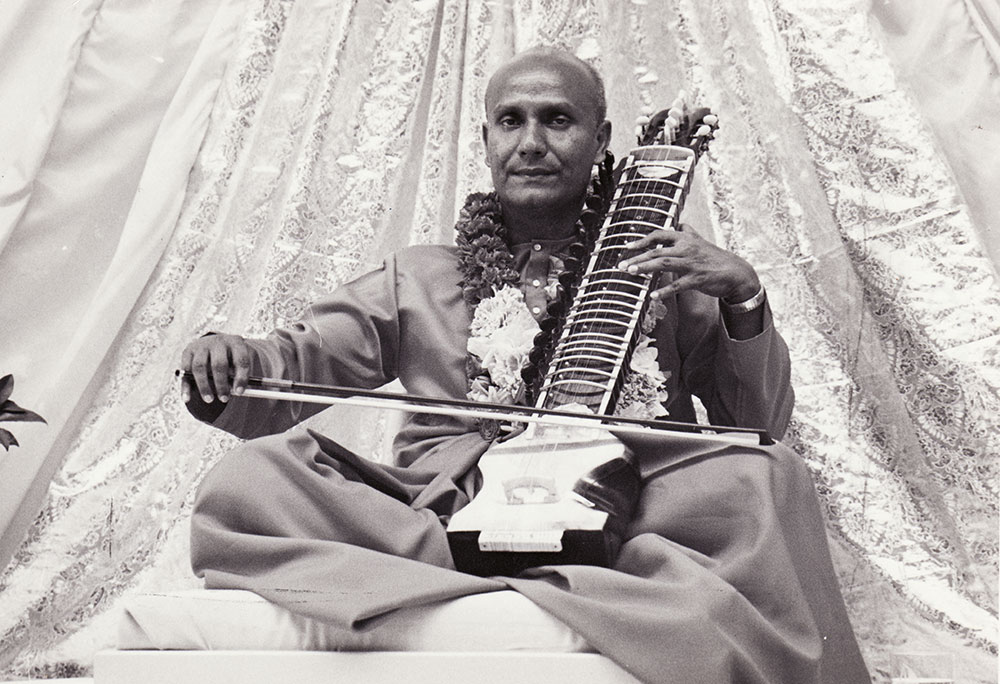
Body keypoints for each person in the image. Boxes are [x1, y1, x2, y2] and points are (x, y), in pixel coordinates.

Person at [181, 48, 871, 684]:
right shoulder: (419, 277)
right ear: (486, 139)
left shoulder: (663, 268)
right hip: (443, 509)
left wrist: (742, 296)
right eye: (511, 121)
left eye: (558, 120)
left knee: (766, 475)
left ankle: (455, 578)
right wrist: (235, 357)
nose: (532, 142)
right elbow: (296, 364)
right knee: (249, 480)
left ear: (601, 140)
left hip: (630, 507)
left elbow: (755, 421)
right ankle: (495, 564)